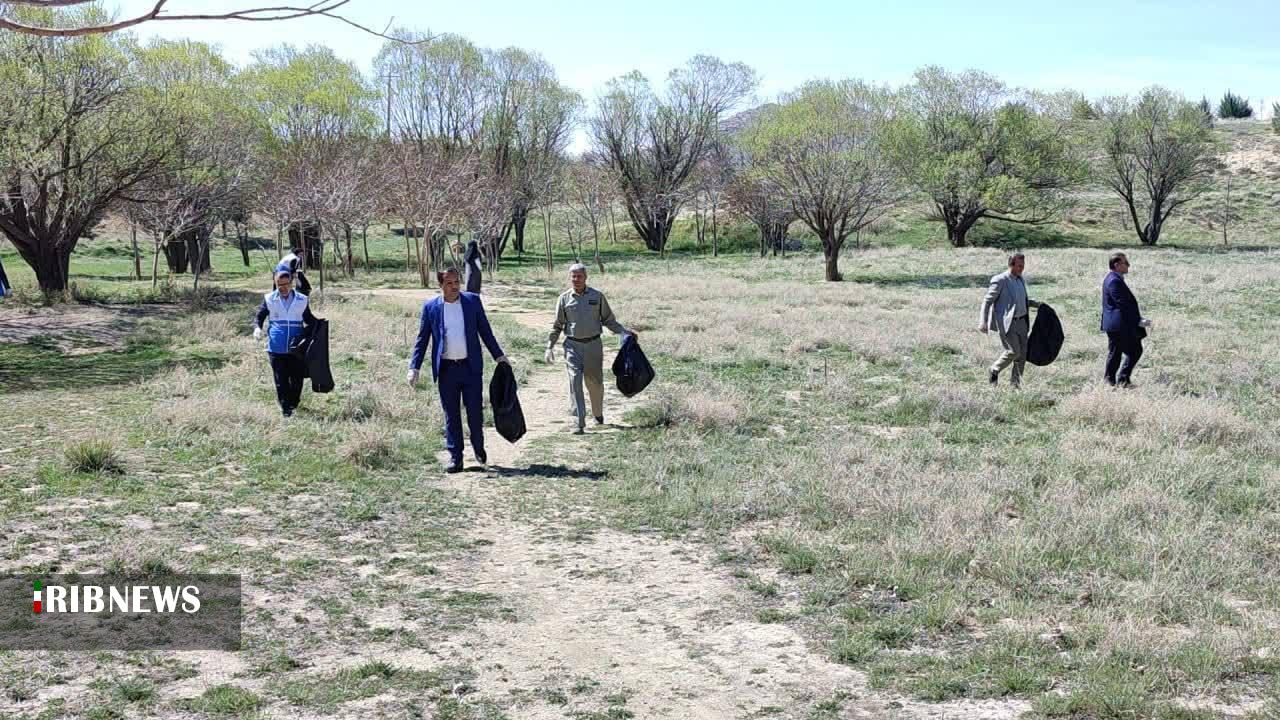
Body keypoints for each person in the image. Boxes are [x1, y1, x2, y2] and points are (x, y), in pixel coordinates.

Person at [407, 267, 509, 473]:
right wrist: (414, 367)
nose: (454, 287)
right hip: (446, 369)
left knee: (474, 413)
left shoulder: (472, 301)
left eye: (456, 282)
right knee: (451, 415)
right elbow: (422, 339)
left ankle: (479, 448)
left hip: (470, 367)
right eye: (449, 283)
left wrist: (499, 355)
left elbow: (485, 331)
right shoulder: (431, 307)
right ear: (441, 285)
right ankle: (456, 457)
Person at [545, 263, 635, 434]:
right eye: (573, 276)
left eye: (579, 276)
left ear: (586, 277)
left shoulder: (597, 296)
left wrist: (624, 332)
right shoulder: (564, 299)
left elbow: (608, 320)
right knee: (575, 382)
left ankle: (598, 413)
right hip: (572, 346)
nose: (576, 279)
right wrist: (549, 346)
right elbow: (557, 325)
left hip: (593, 346)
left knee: (595, 383)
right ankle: (579, 422)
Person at [254, 269, 317, 417]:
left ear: (291, 283)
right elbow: (259, 317)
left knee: (297, 380)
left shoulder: (301, 300)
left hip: (296, 349)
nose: (282, 288)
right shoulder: (270, 299)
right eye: (279, 285)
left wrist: (320, 326)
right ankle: (286, 410)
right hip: (276, 348)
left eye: (285, 284)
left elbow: (308, 319)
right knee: (281, 380)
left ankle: (293, 404)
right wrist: (257, 328)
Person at [979, 252, 1041, 388]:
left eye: (1023, 266)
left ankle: (1015, 386)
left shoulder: (1020, 279)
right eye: (1019, 266)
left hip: (1022, 322)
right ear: (1011, 265)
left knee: (1022, 355)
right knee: (1013, 351)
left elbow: (1021, 300)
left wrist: (1037, 304)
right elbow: (987, 301)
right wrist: (983, 321)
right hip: (1007, 323)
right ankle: (994, 369)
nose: (1022, 269)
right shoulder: (1000, 280)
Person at [1101, 252, 1150, 388]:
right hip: (1118, 325)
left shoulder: (1114, 279)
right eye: (1125, 263)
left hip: (1120, 324)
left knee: (1134, 350)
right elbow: (1123, 304)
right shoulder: (1114, 281)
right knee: (1116, 353)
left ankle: (1122, 380)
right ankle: (1109, 383)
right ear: (1117, 265)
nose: (1128, 265)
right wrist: (1138, 320)